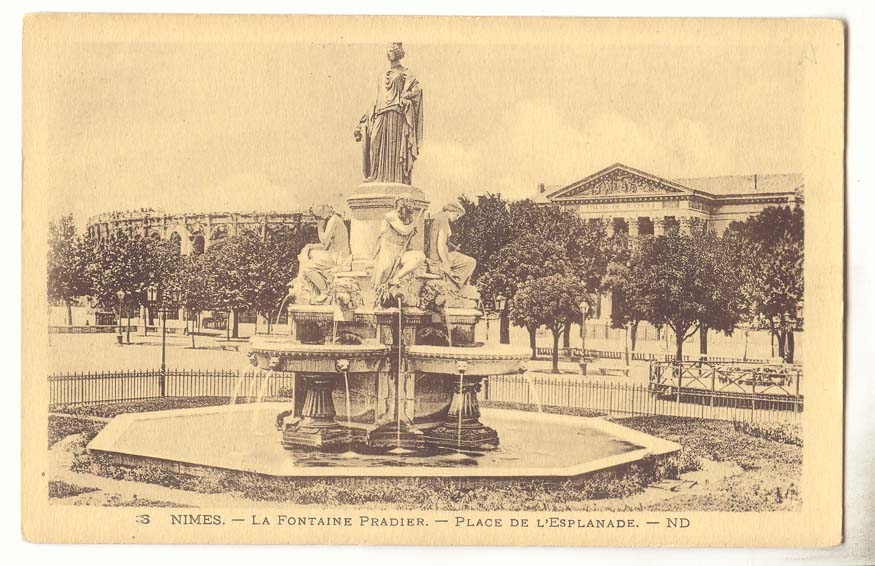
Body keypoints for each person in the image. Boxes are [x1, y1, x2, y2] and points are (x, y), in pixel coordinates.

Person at [354, 42, 423, 185]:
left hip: (396, 114)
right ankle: (375, 174)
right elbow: (376, 99)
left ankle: (396, 178)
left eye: (391, 51)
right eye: (387, 51)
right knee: (374, 143)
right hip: (380, 113)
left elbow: (417, 90)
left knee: (394, 149)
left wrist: (406, 97)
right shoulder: (381, 75)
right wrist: (364, 120)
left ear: (397, 53)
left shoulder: (405, 73)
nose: (388, 53)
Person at [298, 204, 351, 304]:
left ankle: (324, 291)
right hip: (335, 254)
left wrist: (320, 226)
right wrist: (309, 246)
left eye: (316, 217)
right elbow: (325, 246)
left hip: (337, 258)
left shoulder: (333, 221)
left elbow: (323, 243)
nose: (315, 219)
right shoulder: (335, 219)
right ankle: (302, 285)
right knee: (308, 253)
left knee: (308, 267)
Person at [371, 194, 425, 290]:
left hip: (401, 252)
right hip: (388, 250)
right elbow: (404, 230)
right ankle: (377, 294)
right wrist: (413, 225)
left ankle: (397, 277)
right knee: (384, 269)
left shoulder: (409, 219)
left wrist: (414, 231)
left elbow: (410, 240)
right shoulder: (390, 216)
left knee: (420, 257)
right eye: (404, 205)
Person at [427, 201, 476, 289]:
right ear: (450, 211)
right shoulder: (443, 221)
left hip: (436, 257)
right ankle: (457, 285)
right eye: (457, 215)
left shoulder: (438, 218)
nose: (457, 218)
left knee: (459, 256)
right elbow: (440, 245)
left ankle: (455, 282)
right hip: (438, 260)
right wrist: (445, 263)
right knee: (471, 262)